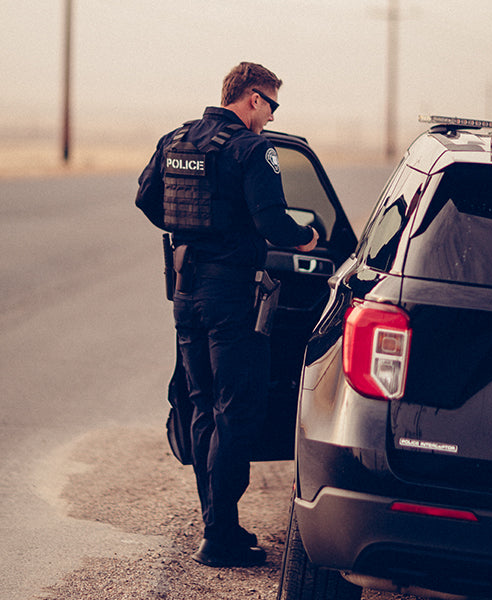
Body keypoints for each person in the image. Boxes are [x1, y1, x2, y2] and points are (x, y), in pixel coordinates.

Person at [135, 62, 318, 567]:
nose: (273, 117)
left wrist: (193, 230)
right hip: (232, 296)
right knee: (235, 412)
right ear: (253, 98)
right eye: (274, 105)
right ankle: (219, 535)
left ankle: (216, 524)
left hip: (186, 291)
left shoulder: (178, 139)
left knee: (201, 405)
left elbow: (146, 199)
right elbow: (274, 224)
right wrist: (307, 238)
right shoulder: (254, 150)